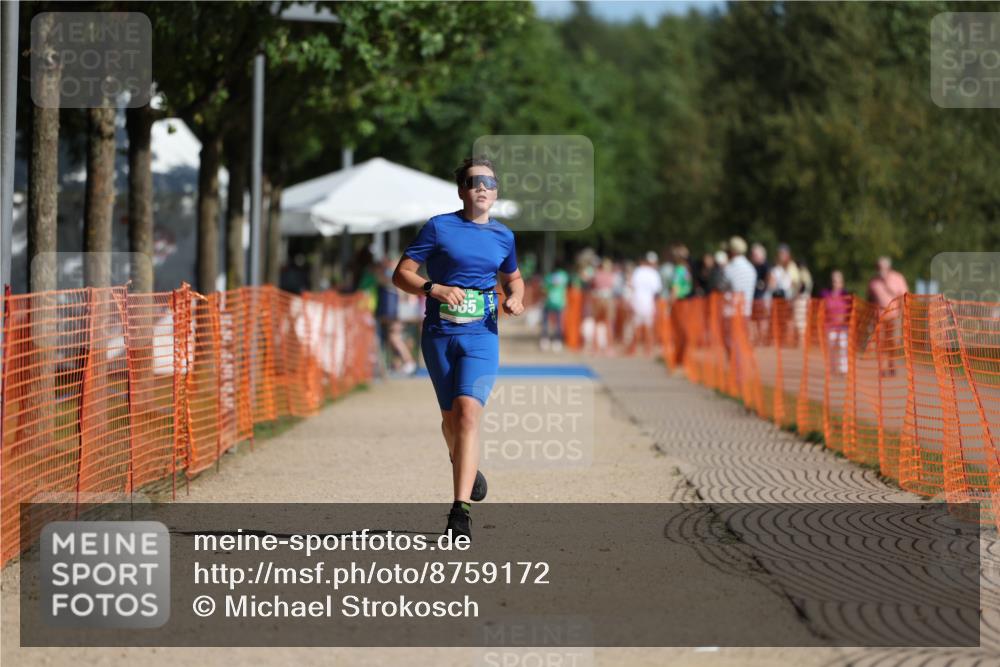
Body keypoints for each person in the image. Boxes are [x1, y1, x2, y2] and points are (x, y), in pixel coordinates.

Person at [392, 157, 524, 540]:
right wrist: (434, 288)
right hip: (439, 334)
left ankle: (459, 512)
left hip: (482, 335)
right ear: (462, 190)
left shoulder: (504, 236)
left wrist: (516, 298)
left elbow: (514, 279)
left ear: (496, 191)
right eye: (473, 181)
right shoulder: (439, 227)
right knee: (451, 420)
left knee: (468, 415)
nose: (481, 187)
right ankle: (461, 458)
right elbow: (401, 273)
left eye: (488, 182)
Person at [867, 256, 908, 376]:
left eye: (884, 267)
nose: (881, 270)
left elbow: (904, 297)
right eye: (879, 267)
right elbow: (870, 300)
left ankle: (892, 364)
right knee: (881, 343)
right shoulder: (873, 282)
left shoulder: (898, 278)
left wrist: (903, 315)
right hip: (878, 317)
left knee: (893, 342)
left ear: (889, 268)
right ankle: (883, 367)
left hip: (895, 316)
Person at [627, 251, 663, 356]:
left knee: (637, 326)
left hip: (637, 302)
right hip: (648, 303)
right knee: (648, 327)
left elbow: (631, 285)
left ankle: (633, 349)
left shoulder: (638, 271)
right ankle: (648, 350)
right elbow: (657, 290)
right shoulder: (653, 273)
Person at [820, 270, 851, 375]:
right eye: (834, 281)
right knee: (832, 347)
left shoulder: (846, 295)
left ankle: (843, 369)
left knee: (843, 346)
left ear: (842, 283)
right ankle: (832, 368)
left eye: (838, 281)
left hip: (843, 327)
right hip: (829, 326)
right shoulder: (825, 294)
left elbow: (850, 311)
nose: (836, 283)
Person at [541, 263, 570, 351]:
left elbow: (544, 289)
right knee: (558, 323)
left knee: (546, 323)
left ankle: (545, 340)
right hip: (560, 303)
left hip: (549, 302)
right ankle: (557, 341)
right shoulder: (564, 276)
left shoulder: (549, 277)